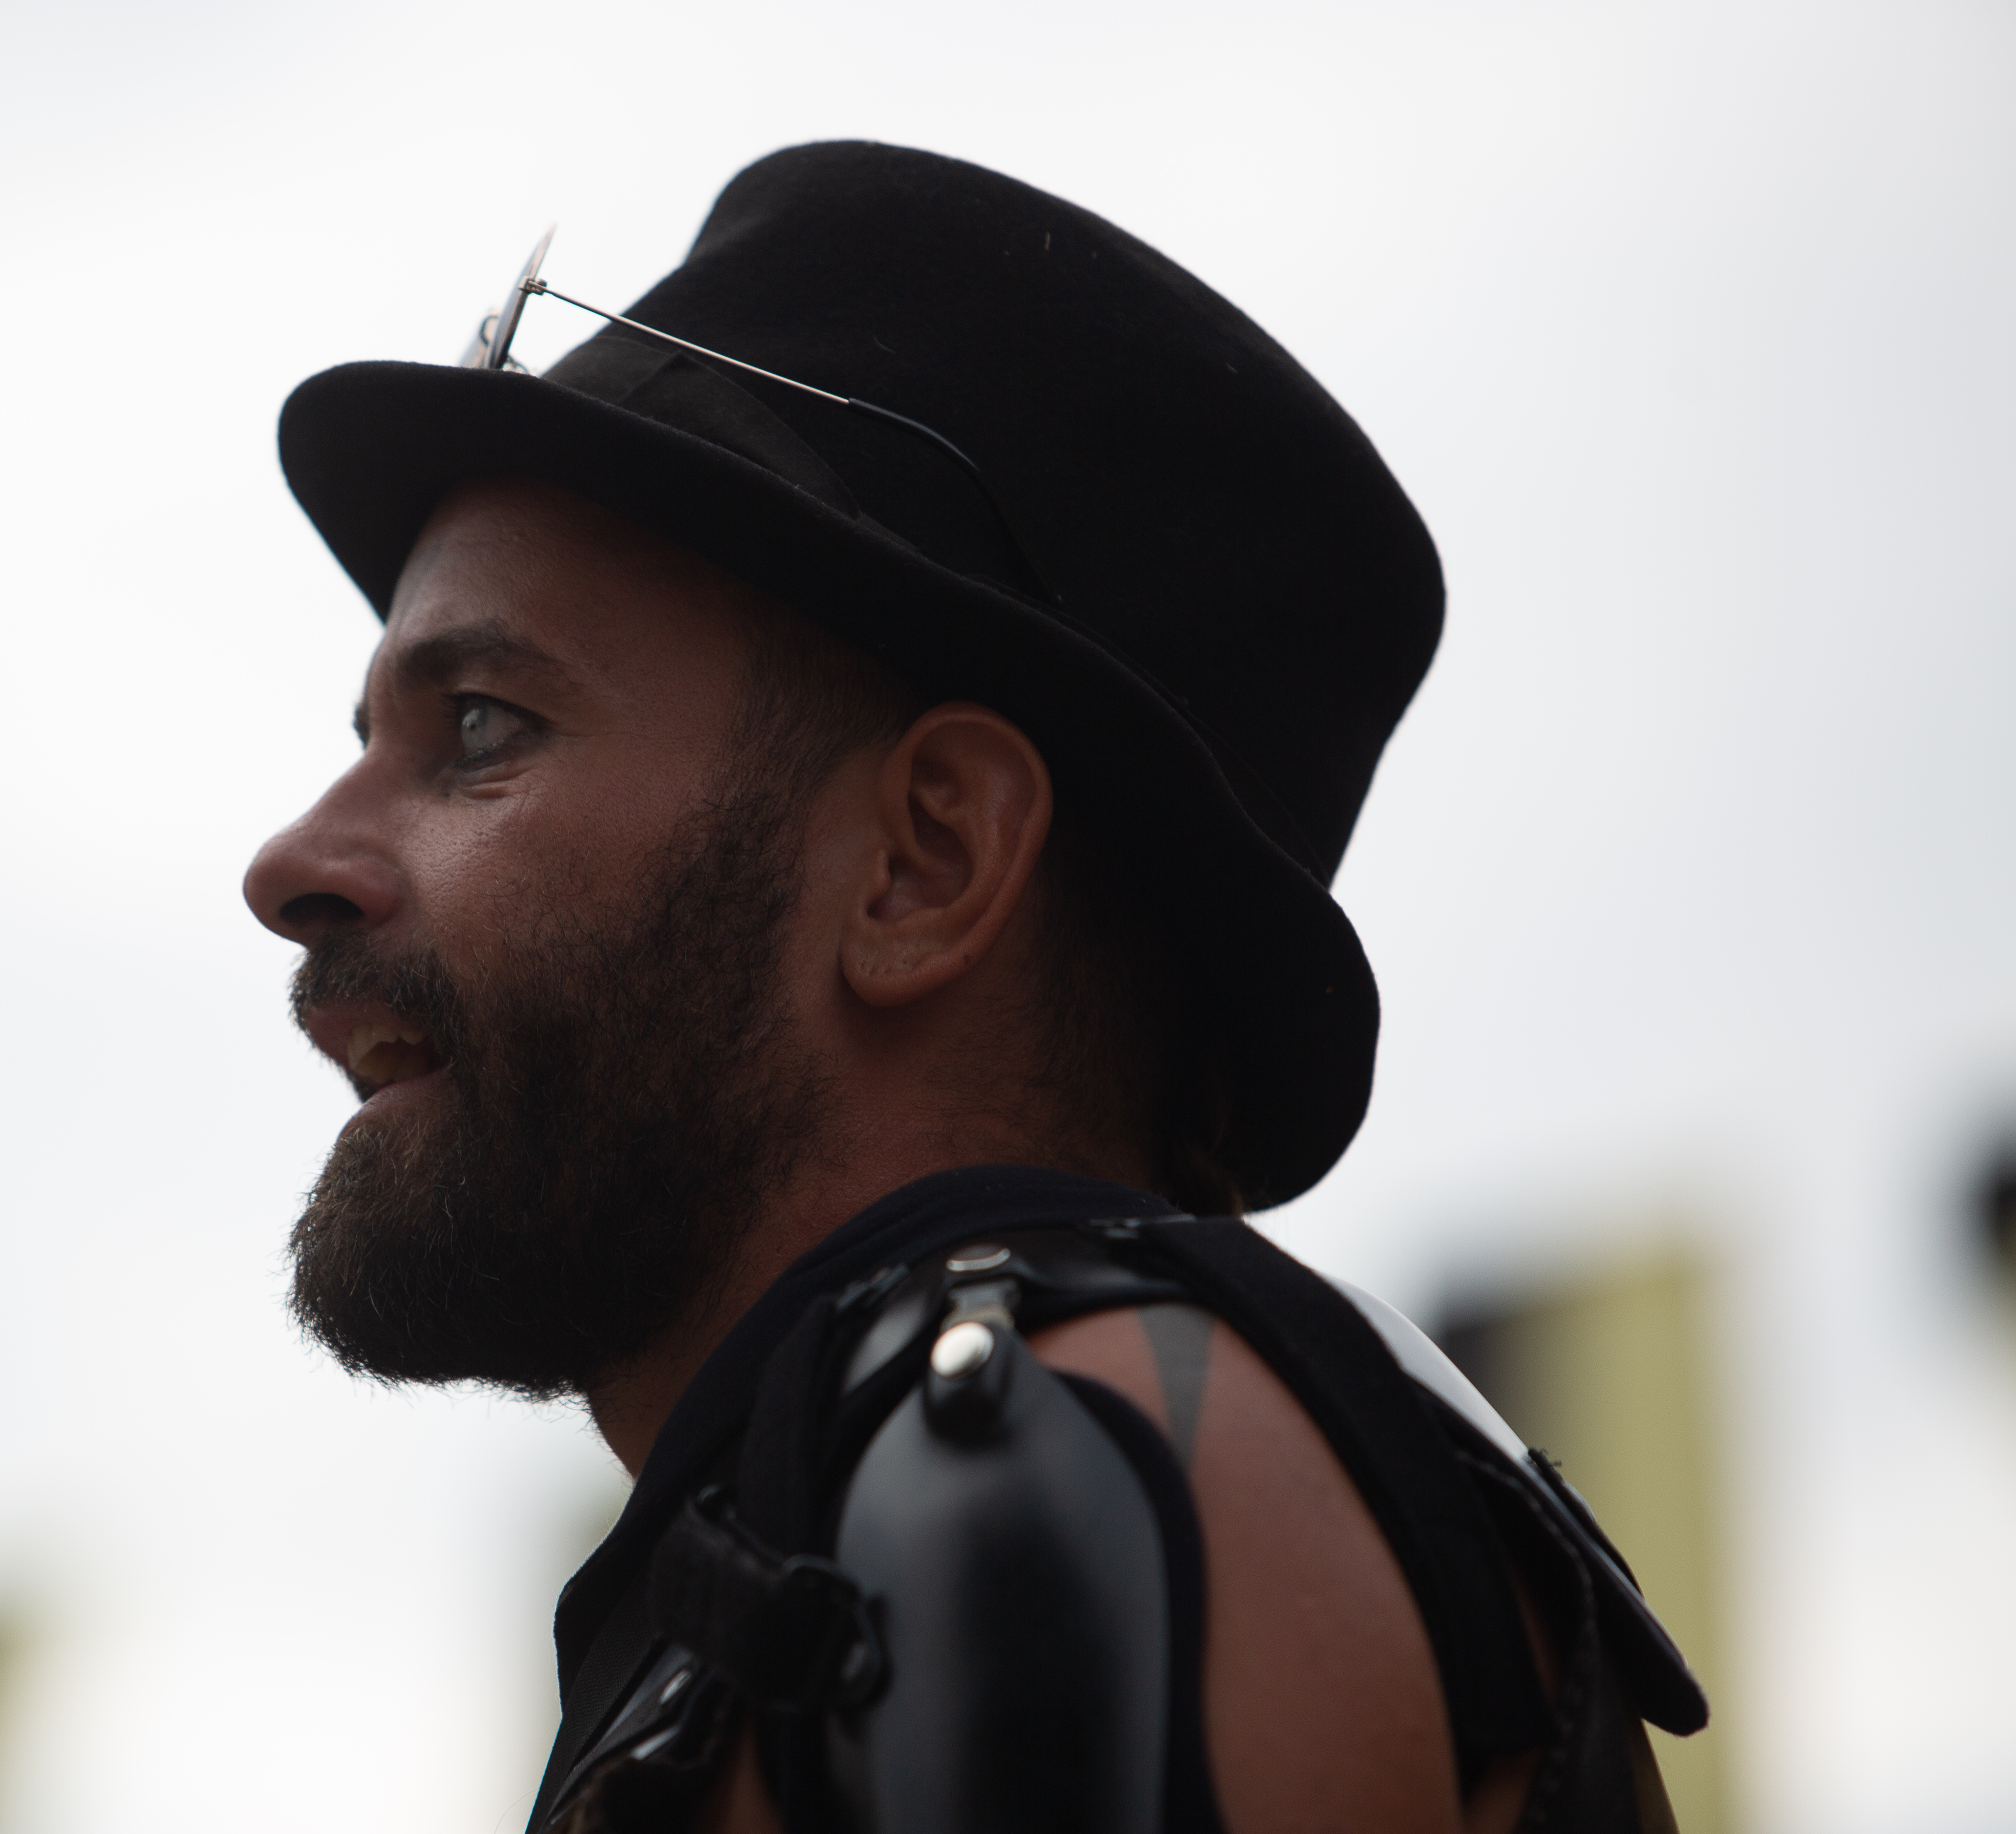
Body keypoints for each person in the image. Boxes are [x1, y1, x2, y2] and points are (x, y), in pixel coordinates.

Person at [242, 142, 1705, 1834]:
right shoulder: (904, 1501)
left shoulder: (1076, 1464)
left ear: (924, 861)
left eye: (484, 726)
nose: (294, 861)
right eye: (370, 738)